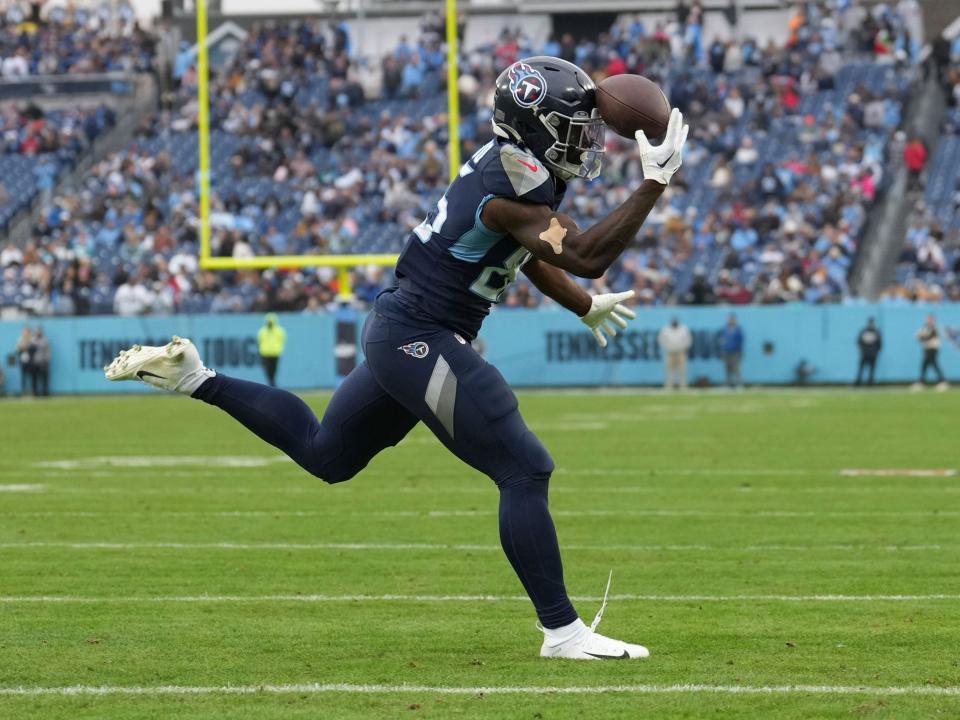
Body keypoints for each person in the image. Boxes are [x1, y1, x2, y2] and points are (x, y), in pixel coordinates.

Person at [104, 57, 689, 661]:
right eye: (577, 127)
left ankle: (197, 378)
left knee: (328, 455)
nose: (589, 139)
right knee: (523, 467)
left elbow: (533, 254)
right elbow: (584, 251)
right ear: (538, 126)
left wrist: (583, 306)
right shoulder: (514, 185)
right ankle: (563, 633)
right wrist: (653, 184)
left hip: (402, 330)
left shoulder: (520, 171)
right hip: (420, 336)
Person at [914, 314, 948, 391]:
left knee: (933, 363)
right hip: (926, 348)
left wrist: (922, 337)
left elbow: (926, 337)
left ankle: (942, 381)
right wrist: (921, 337)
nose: (929, 320)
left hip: (933, 348)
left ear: (933, 320)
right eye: (928, 319)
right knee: (925, 364)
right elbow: (918, 336)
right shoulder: (924, 327)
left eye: (930, 319)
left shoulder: (934, 328)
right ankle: (922, 382)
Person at [658, 318, 692, 390]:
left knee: (682, 370)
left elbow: (688, 339)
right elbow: (661, 339)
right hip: (670, 352)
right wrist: (667, 347)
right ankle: (669, 386)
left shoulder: (683, 329)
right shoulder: (666, 329)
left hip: (681, 351)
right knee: (669, 370)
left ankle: (683, 386)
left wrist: (684, 347)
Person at [257, 313, 286, 387]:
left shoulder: (279, 331)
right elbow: (260, 341)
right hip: (265, 354)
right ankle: (272, 385)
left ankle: (272, 384)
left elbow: (282, 341)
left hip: (275, 354)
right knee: (268, 371)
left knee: (273, 371)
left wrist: (278, 349)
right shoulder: (262, 331)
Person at [718, 314, 744, 388]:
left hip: (735, 352)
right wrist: (723, 347)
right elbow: (722, 339)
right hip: (726, 351)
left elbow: (740, 341)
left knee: (736, 368)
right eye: (729, 319)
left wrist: (738, 350)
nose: (730, 321)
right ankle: (728, 383)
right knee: (727, 368)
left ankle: (739, 384)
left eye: (732, 319)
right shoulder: (725, 329)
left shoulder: (738, 329)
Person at [855, 317, 882, 386]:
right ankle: (858, 382)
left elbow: (880, 343)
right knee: (861, 369)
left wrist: (876, 351)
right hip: (864, 353)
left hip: (873, 354)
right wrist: (862, 350)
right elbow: (859, 342)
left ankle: (870, 383)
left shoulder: (877, 332)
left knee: (872, 369)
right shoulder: (864, 331)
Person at [31, 327, 51, 397]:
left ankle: (45, 392)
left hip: (43, 361)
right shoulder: (33, 340)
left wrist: (47, 360)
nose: (38, 333)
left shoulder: (45, 340)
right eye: (37, 331)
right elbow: (30, 352)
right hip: (35, 362)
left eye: (40, 331)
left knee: (44, 378)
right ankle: (35, 393)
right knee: (34, 378)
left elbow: (48, 351)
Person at [15, 326, 34, 396]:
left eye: (26, 331)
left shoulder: (32, 339)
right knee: (23, 377)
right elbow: (17, 349)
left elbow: (33, 349)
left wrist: (27, 347)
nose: (25, 333)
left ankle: (32, 391)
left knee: (31, 376)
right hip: (23, 361)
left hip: (30, 361)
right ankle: (24, 392)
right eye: (24, 331)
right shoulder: (20, 339)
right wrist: (22, 348)